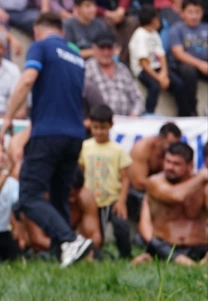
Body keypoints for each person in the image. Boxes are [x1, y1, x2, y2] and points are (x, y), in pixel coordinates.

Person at [0, 12, 94, 267]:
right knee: (59, 196)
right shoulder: (76, 56)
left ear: (37, 30)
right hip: (75, 135)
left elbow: (28, 78)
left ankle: (69, 239)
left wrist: (8, 117)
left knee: (29, 197)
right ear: (61, 31)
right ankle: (61, 254)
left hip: (48, 132)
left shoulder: (40, 46)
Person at [132, 142, 208, 266]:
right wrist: (202, 176)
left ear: (190, 165)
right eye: (168, 161)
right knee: (156, 245)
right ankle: (190, 265)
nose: (170, 167)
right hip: (166, 246)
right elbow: (176, 196)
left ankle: (193, 262)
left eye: (176, 164)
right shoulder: (155, 182)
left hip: (199, 246)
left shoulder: (204, 186)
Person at [79, 104, 133, 259]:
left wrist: (121, 201)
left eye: (103, 128)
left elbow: (125, 178)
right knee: (97, 233)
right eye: (95, 128)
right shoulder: (85, 147)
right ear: (90, 125)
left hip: (113, 200)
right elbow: (81, 172)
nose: (99, 132)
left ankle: (126, 255)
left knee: (121, 227)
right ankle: (97, 255)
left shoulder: (118, 150)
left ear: (110, 126)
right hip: (92, 202)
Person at [127, 122, 185, 227]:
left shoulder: (173, 153)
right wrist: (164, 189)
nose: (174, 147)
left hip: (163, 188)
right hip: (136, 191)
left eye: (176, 144)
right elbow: (138, 183)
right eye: (170, 143)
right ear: (159, 139)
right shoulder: (142, 149)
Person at [166, 0, 208, 117]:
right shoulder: (177, 29)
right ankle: (191, 109)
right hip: (184, 65)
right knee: (188, 70)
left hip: (205, 63)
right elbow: (178, 53)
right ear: (182, 13)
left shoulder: (206, 27)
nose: (194, 16)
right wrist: (200, 64)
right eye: (190, 12)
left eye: (197, 12)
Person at [84, 37, 144, 117]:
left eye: (109, 48)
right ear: (94, 49)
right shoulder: (87, 68)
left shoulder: (123, 69)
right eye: (102, 48)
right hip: (99, 122)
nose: (106, 52)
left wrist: (135, 113)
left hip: (127, 121)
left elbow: (138, 98)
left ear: (115, 50)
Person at [128, 7, 170, 114]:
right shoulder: (140, 35)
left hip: (156, 67)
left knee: (178, 82)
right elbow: (143, 63)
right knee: (154, 86)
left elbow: (161, 55)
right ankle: (149, 113)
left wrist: (164, 73)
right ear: (153, 20)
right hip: (142, 70)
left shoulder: (154, 33)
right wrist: (159, 79)